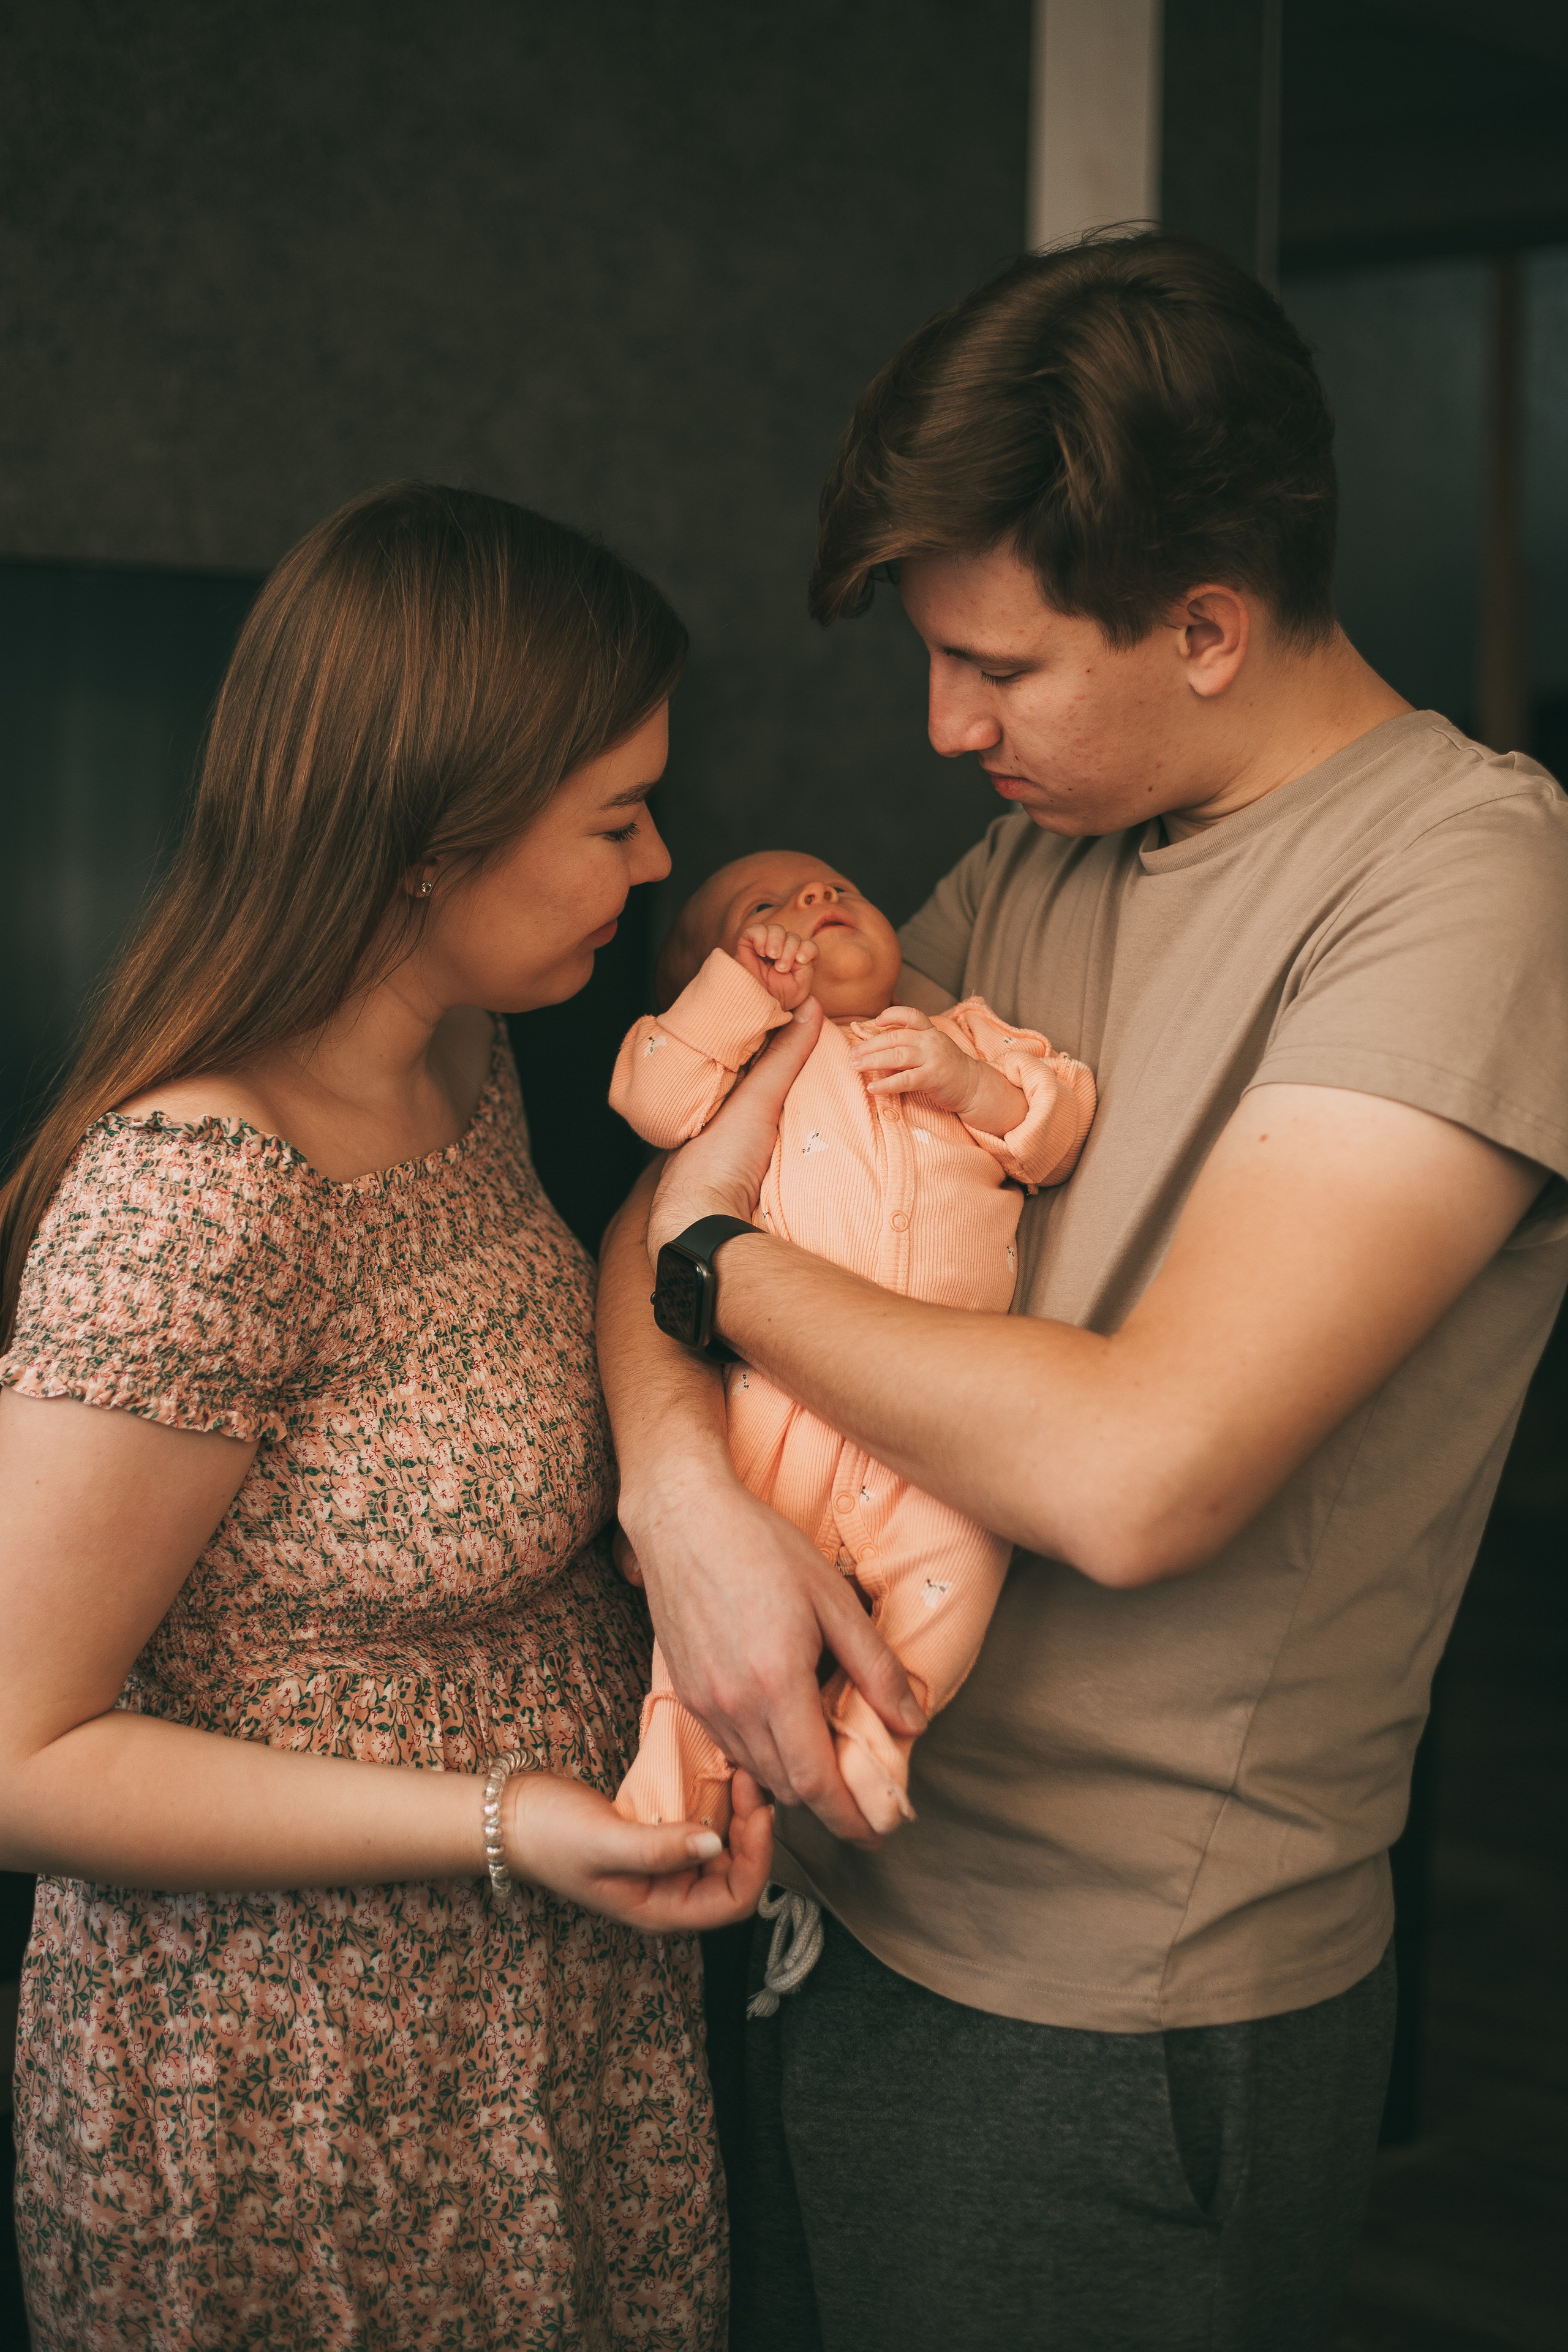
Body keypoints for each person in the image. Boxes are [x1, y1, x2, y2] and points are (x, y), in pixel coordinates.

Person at [595, 236, 1568, 2350]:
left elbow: (1141, 1475)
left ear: (1206, 626)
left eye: (998, 669)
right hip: (826, 1898)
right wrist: (685, 1511)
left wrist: (715, 1276)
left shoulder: (1463, 880)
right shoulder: (1050, 841)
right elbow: (679, 1194)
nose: (946, 729)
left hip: (1109, 2009)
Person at [0, 483, 772, 2352]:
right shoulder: (200, 1197)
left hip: (544, 2014)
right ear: (435, 839)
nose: (657, 857)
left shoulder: (466, 1056)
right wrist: (504, 1822)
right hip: (297, 2073)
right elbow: (22, 1756)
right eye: (615, 819)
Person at [606, 850, 1092, 1846]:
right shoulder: (734, 1072)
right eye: (767, 907)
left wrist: (972, 1086)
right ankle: (671, 1787)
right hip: (776, 1406)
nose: (817, 899)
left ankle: (878, 1734)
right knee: (726, 1590)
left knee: (961, 1559)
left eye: (839, 889)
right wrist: (740, 1000)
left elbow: (1056, 1131)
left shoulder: (962, 1033)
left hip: (933, 1418)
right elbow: (653, 1102)